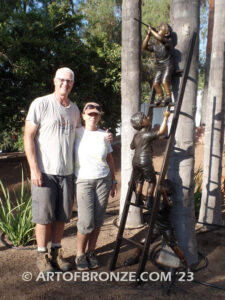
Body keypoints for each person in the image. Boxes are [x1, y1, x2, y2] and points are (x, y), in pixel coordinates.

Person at [74, 102, 117, 271]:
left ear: (99, 116)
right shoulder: (76, 133)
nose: (93, 116)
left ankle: (91, 252)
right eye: (89, 114)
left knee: (98, 220)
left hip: (103, 180)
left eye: (96, 114)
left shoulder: (103, 135)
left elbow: (110, 159)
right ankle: (79, 254)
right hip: (84, 181)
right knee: (85, 222)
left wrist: (113, 181)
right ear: (83, 116)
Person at [124, 179, 187, 267]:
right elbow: (143, 197)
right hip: (156, 227)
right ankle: (135, 257)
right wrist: (134, 188)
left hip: (166, 228)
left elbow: (167, 204)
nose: (160, 189)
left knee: (173, 246)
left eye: (163, 188)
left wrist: (164, 193)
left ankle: (185, 263)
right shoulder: (155, 200)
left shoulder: (169, 201)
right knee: (143, 242)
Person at [130, 110, 170, 208]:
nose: (148, 118)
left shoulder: (137, 135)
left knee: (139, 181)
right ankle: (149, 201)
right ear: (141, 123)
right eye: (145, 117)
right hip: (145, 161)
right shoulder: (147, 134)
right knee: (152, 181)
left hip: (135, 161)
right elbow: (161, 131)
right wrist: (165, 117)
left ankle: (138, 199)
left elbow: (132, 146)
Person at [142, 23, 174, 105]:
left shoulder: (168, 42)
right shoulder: (156, 46)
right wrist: (148, 35)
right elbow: (144, 47)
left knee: (164, 81)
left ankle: (168, 96)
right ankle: (160, 97)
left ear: (166, 33)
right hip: (159, 66)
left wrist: (151, 31)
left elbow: (159, 38)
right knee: (155, 83)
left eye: (160, 29)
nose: (158, 29)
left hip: (168, 65)